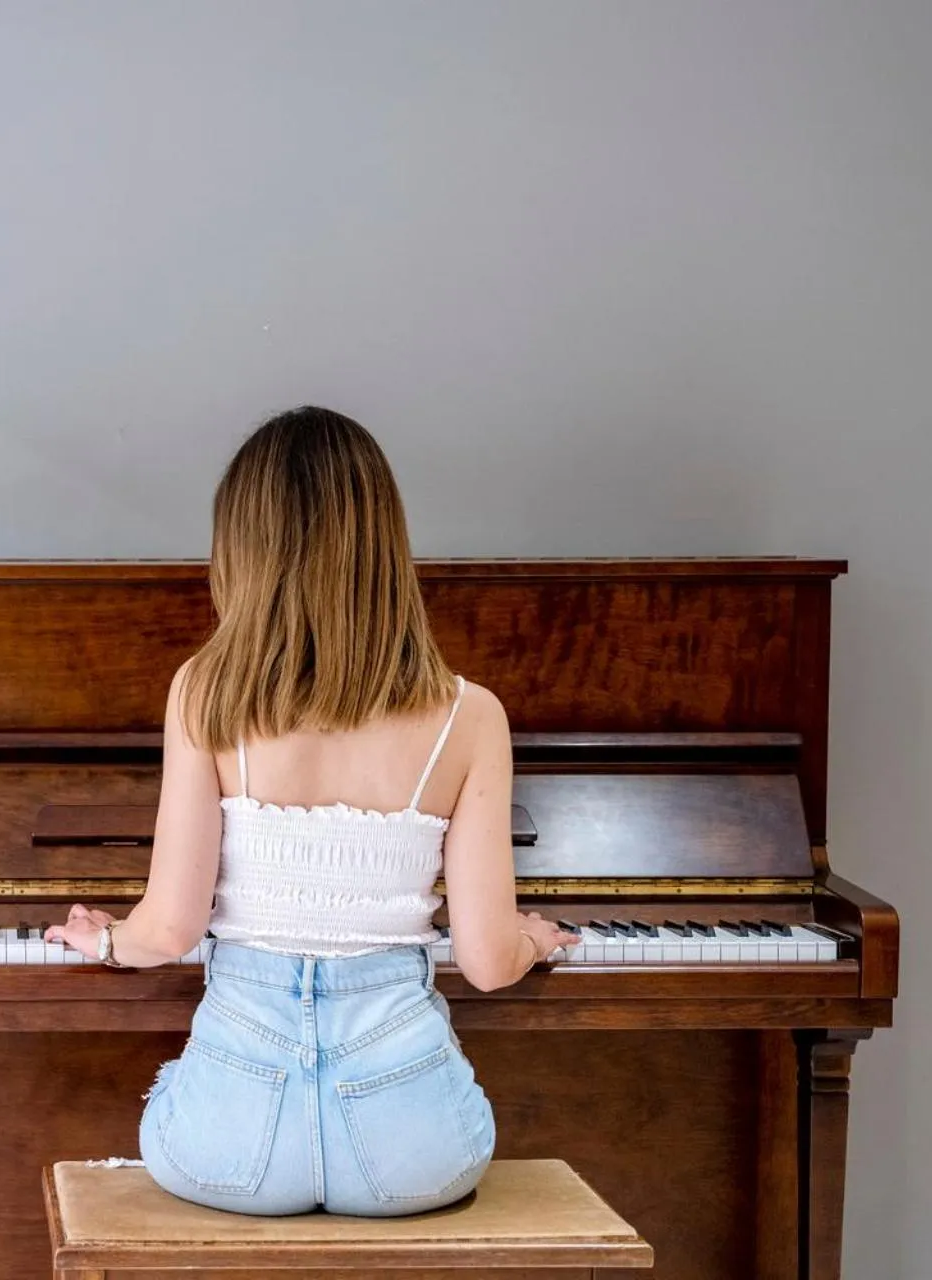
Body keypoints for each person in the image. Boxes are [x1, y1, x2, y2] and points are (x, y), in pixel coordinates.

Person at [46, 406, 578, 1218]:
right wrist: (536, 939)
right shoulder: (472, 717)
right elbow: (485, 959)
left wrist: (104, 938)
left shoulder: (205, 692)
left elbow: (168, 932)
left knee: (172, 1108)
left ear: (245, 552)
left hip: (228, 1154)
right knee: (458, 1120)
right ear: (383, 545)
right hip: (415, 1159)